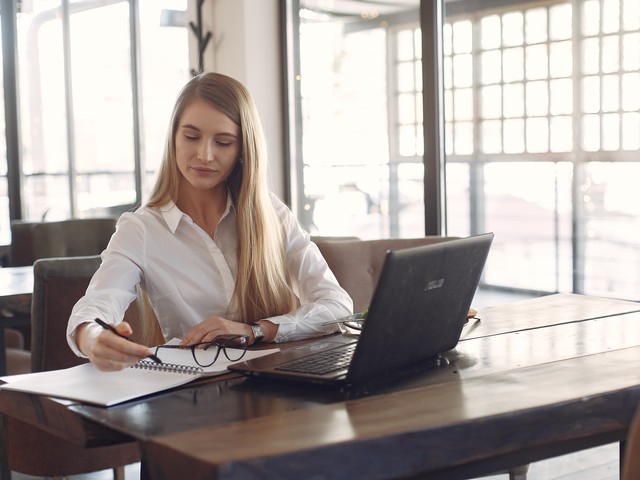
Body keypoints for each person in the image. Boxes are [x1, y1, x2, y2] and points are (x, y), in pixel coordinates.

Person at [66, 72, 353, 371]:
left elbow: (336, 305)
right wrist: (93, 337)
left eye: (224, 142)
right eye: (191, 137)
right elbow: (97, 304)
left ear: (243, 150)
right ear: (173, 138)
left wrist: (257, 330)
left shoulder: (272, 214)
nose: (204, 155)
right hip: (195, 393)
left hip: (279, 385)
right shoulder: (141, 229)